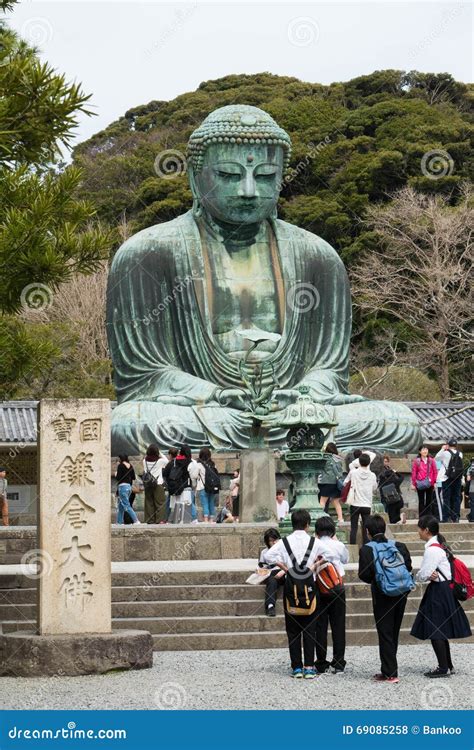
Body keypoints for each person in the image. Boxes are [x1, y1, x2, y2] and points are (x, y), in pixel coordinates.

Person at [411, 516, 471, 676]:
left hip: (438, 590)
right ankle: (447, 665)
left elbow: (423, 574)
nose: (418, 532)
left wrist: (419, 576)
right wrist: (427, 575)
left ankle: (443, 668)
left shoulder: (432, 550)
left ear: (426, 530)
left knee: (435, 629)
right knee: (440, 628)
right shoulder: (441, 546)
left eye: (419, 529)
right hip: (444, 589)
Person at [264, 509, 320, 679]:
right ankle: (309, 666)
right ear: (307, 524)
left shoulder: (284, 542)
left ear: (292, 524)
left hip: (291, 587)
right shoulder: (314, 542)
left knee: (293, 629)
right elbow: (333, 554)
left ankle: (296, 667)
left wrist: (286, 568)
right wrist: (315, 565)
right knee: (310, 628)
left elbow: (268, 556)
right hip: (310, 588)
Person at [358, 514, 412, 683]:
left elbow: (364, 574)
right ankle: (389, 668)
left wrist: (378, 580)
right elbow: (408, 566)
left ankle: (390, 673)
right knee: (393, 631)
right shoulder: (399, 545)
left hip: (382, 594)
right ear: (384, 528)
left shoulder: (367, 549)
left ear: (367, 531)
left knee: (385, 632)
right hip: (401, 592)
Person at [314, 516, 349, 674]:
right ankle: (338, 662)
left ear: (317, 531)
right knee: (338, 625)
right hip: (337, 588)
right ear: (333, 530)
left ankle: (321, 661)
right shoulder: (338, 545)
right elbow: (345, 560)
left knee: (320, 626)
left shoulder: (314, 545)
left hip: (319, 587)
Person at [346, 453, 378, 545]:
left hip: (355, 503)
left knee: (354, 527)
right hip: (367, 504)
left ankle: (352, 548)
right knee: (366, 528)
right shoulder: (372, 475)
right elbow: (374, 487)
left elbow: (346, 482)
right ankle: (366, 547)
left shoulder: (353, 473)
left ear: (359, 462)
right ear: (369, 463)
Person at [163, 445, 199, 524]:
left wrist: (169, 483)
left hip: (175, 486)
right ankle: (194, 519)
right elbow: (193, 476)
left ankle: (177, 519)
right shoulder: (191, 462)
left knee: (177, 503)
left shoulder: (174, 461)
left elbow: (165, 473)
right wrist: (193, 486)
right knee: (188, 503)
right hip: (186, 486)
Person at [435, 439, 464, 523]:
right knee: (456, 497)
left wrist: (442, 449)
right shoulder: (460, 454)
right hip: (457, 478)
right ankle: (456, 517)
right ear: (456, 445)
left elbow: (436, 458)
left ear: (448, 445)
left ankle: (446, 517)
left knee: (446, 498)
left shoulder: (445, 453)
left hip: (446, 477)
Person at [259, 528, 286, 617]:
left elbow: (293, 564)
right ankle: (270, 606)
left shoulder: (285, 549)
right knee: (271, 580)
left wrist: (283, 571)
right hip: (272, 574)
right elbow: (261, 567)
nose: (274, 542)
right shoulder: (264, 552)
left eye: (275, 539)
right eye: (271, 541)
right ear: (267, 542)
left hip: (286, 573)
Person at [318, 442, 345, 523]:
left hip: (326, 482)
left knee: (322, 501)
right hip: (336, 483)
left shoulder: (325, 458)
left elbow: (321, 469)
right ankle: (340, 519)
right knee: (336, 502)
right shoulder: (339, 459)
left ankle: (319, 518)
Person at [142, 444, 168, 524]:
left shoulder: (144, 461)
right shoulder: (160, 461)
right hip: (158, 484)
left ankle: (150, 520)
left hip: (148, 484)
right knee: (160, 503)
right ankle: (159, 520)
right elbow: (166, 461)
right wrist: (159, 453)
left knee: (149, 502)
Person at [378, 455, 406, 525]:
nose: (386, 463)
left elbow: (379, 486)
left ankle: (396, 519)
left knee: (390, 512)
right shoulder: (392, 476)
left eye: (387, 461)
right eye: (385, 461)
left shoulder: (381, 476)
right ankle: (399, 517)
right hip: (396, 498)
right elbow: (402, 477)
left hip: (388, 499)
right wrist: (395, 472)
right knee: (396, 511)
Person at [411, 445, 437, 518]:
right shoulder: (417, 461)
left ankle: (428, 516)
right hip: (420, 483)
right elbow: (414, 472)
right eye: (423, 449)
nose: (425, 451)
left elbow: (435, 472)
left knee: (429, 500)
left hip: (430, 483)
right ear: (420, 452)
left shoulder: (431, 460)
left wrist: (435, 482)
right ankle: (422, 517)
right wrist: (413, 484)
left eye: (426, 449)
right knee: (421, 501)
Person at [196, 447, 219, 522]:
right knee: (211, 503)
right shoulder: (213, 464)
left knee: (205, 503)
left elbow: (195, 475)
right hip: (212, 487)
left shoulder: (199, 465)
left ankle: (206, 519)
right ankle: (211, 519)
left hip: (203, 487)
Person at [115, 455, 140, 525]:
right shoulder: (130, 466)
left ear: (121, 459)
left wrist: (116, 473)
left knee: (126, 505)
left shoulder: (120, 466)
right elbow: (133, 477)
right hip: (128, 487)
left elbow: (118, 478)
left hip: (122, 487)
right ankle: (119, 522)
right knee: (121, 506)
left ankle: (136, 520)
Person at [165, 447, 178, 519]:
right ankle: (178, 517)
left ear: (170, 455)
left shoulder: (169, 464)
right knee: (178, 502)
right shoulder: (179, 463)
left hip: (171, 486)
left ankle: (165, 518)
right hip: (179, 485)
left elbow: (165, 474)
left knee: (168, 502)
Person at [464, 458, 474, 523]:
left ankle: (472, 517)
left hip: (472, 489)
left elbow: (468, 479)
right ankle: (470, 516)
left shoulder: (470, 469)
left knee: (472, 504)